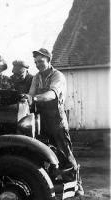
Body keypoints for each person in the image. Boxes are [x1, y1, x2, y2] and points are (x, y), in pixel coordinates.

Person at [28, 48, 84, 195]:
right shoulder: (36, 77)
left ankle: (78, 185)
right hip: (41, 118)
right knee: (49, 150)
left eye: (41, 61)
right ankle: (58, 182)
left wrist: (33, 98)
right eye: (36, 62)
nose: (38, 64)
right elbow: (31, 93)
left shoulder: (57, 76)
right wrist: (26, 98)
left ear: (48, 60)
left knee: (64, 151)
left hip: (56, 118)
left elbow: (52, 95)